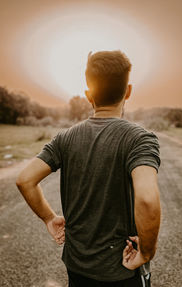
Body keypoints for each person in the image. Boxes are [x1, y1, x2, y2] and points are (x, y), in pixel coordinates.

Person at [16, 50, 161, 287]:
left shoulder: (65, 138)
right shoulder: (139, 139)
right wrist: (146, 251)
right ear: (128, 91)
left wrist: (49, 218)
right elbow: (146, 198)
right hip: (120, 270)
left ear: (88, 95)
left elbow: (25, 179)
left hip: (77, 267)